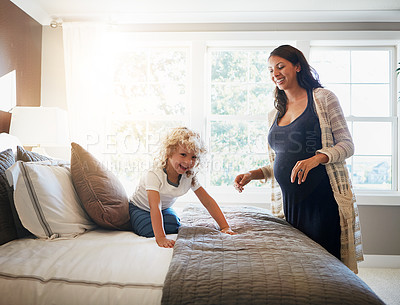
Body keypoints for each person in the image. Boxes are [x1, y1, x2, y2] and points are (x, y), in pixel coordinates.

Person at [234, 45, 363, 273]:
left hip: (322, 201)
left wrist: (316, 158)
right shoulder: (275, 113)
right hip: (290, 206)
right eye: (271, 69)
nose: (275, 73)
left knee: (325, 269)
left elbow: (347, 145)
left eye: (281, 66)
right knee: (298, 271)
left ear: (297, 66)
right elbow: (282, 160)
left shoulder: (322, 99)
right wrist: (253, 174)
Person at [129, 126, 235, 248]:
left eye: (193, 157)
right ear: (169, 153)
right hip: (140, 207)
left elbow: (208, 201)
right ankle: (133, 221)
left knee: (174, 226)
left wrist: (225, 227)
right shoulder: (154, 173)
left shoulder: (189, 175)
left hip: (163, 208)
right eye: (183, 154)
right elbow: (155, 206)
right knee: (149, 230)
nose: (188, 161)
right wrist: (161, 238)